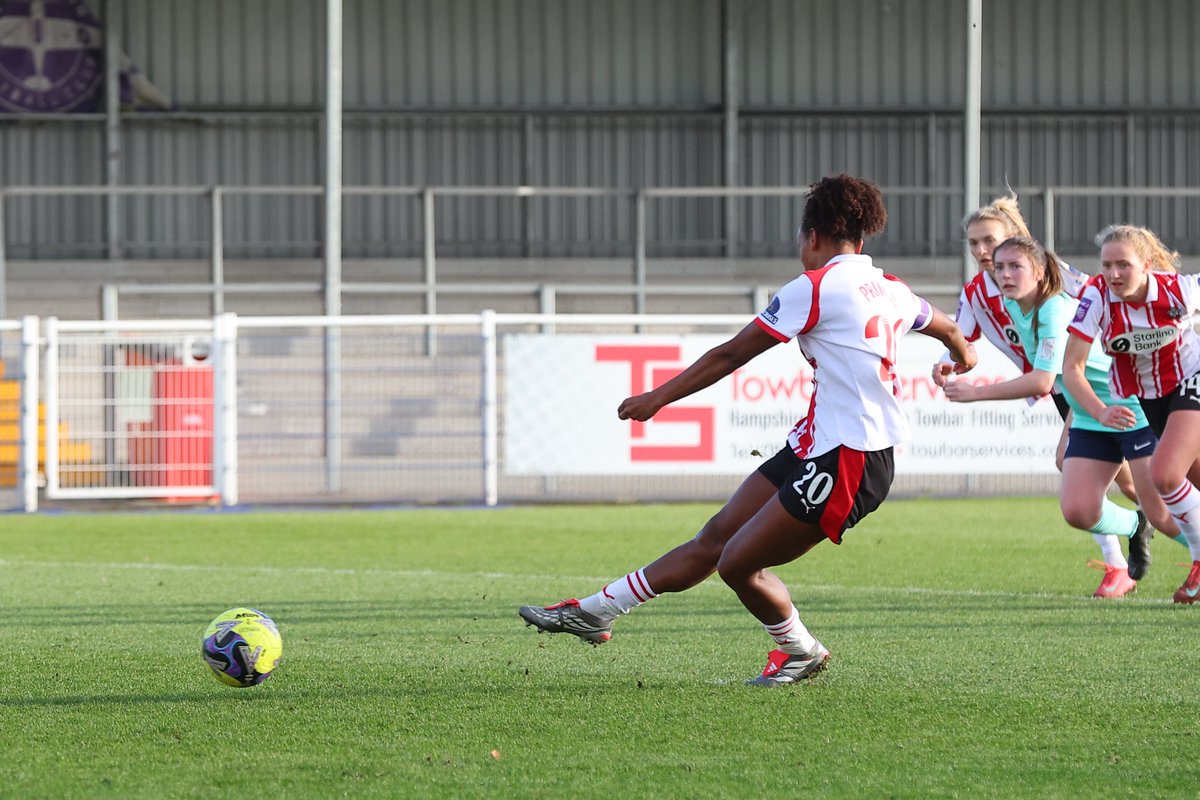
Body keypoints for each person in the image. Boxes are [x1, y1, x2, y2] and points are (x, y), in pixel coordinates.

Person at [518, 174, 976, 685]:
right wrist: (962, 357)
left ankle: (799, 650)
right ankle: (596, 611)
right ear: (862, 240)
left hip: (851, 457)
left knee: (737, 563)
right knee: (715, 538)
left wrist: (657, 398)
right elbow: (951, 328)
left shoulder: (816, 287)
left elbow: (732, 353)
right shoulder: (891, 289)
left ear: (813, 238)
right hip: (819, 444)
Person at [941, 236, 1165, 596]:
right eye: (1000, 267)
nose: (1004, 274)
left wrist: (976, 394)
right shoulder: (1014, 304)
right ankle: (1135, 524)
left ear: (1041, 271)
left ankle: (1165, 541)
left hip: (1126, 406)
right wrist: (950, 361)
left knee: (1164, 508)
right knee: (1078, 509)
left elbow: (1043, 380)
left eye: (1014, 266)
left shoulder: (1054, 309)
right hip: (1089, 409)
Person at [1065, 224, 1200, 604]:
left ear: (1147, 264)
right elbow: (1071, 369)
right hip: (1149, 399)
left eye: (1123, 264)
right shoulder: (1097, 296)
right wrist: (1100, 410)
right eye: (1106, 265)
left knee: (1164, 473)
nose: (1113, 274)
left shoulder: (1180, 290)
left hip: (1192, 380)